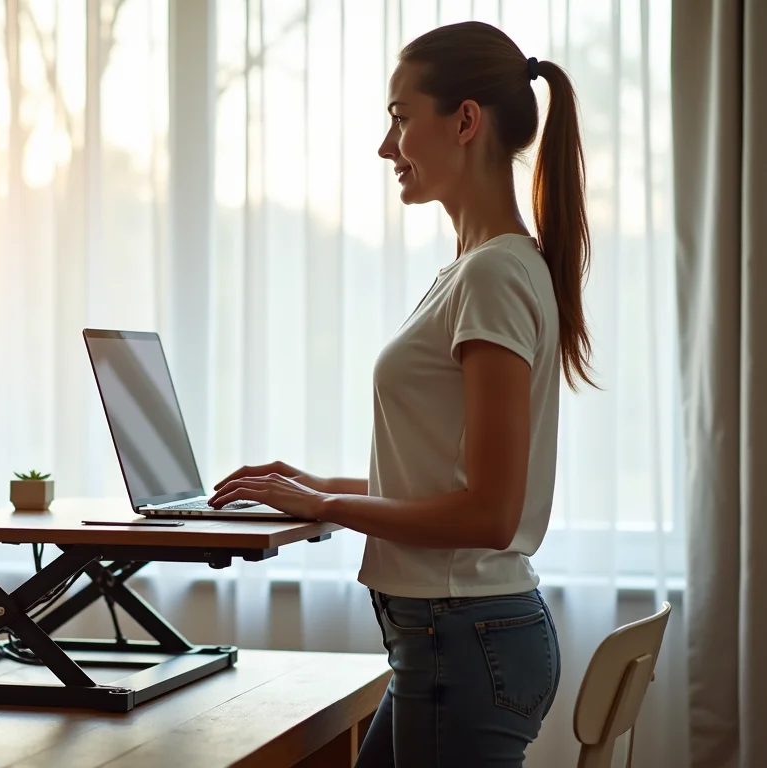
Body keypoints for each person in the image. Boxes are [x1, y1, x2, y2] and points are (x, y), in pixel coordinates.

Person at [208, 20, 595, 766]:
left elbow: (488, 514)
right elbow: (443, 483)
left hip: (461, 639)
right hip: (453, 639)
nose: (387, 147)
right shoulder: (480, 270)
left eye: (400, 118)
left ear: (465, 121)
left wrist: (325, 507)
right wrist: (319, 486)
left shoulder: (493, 275)